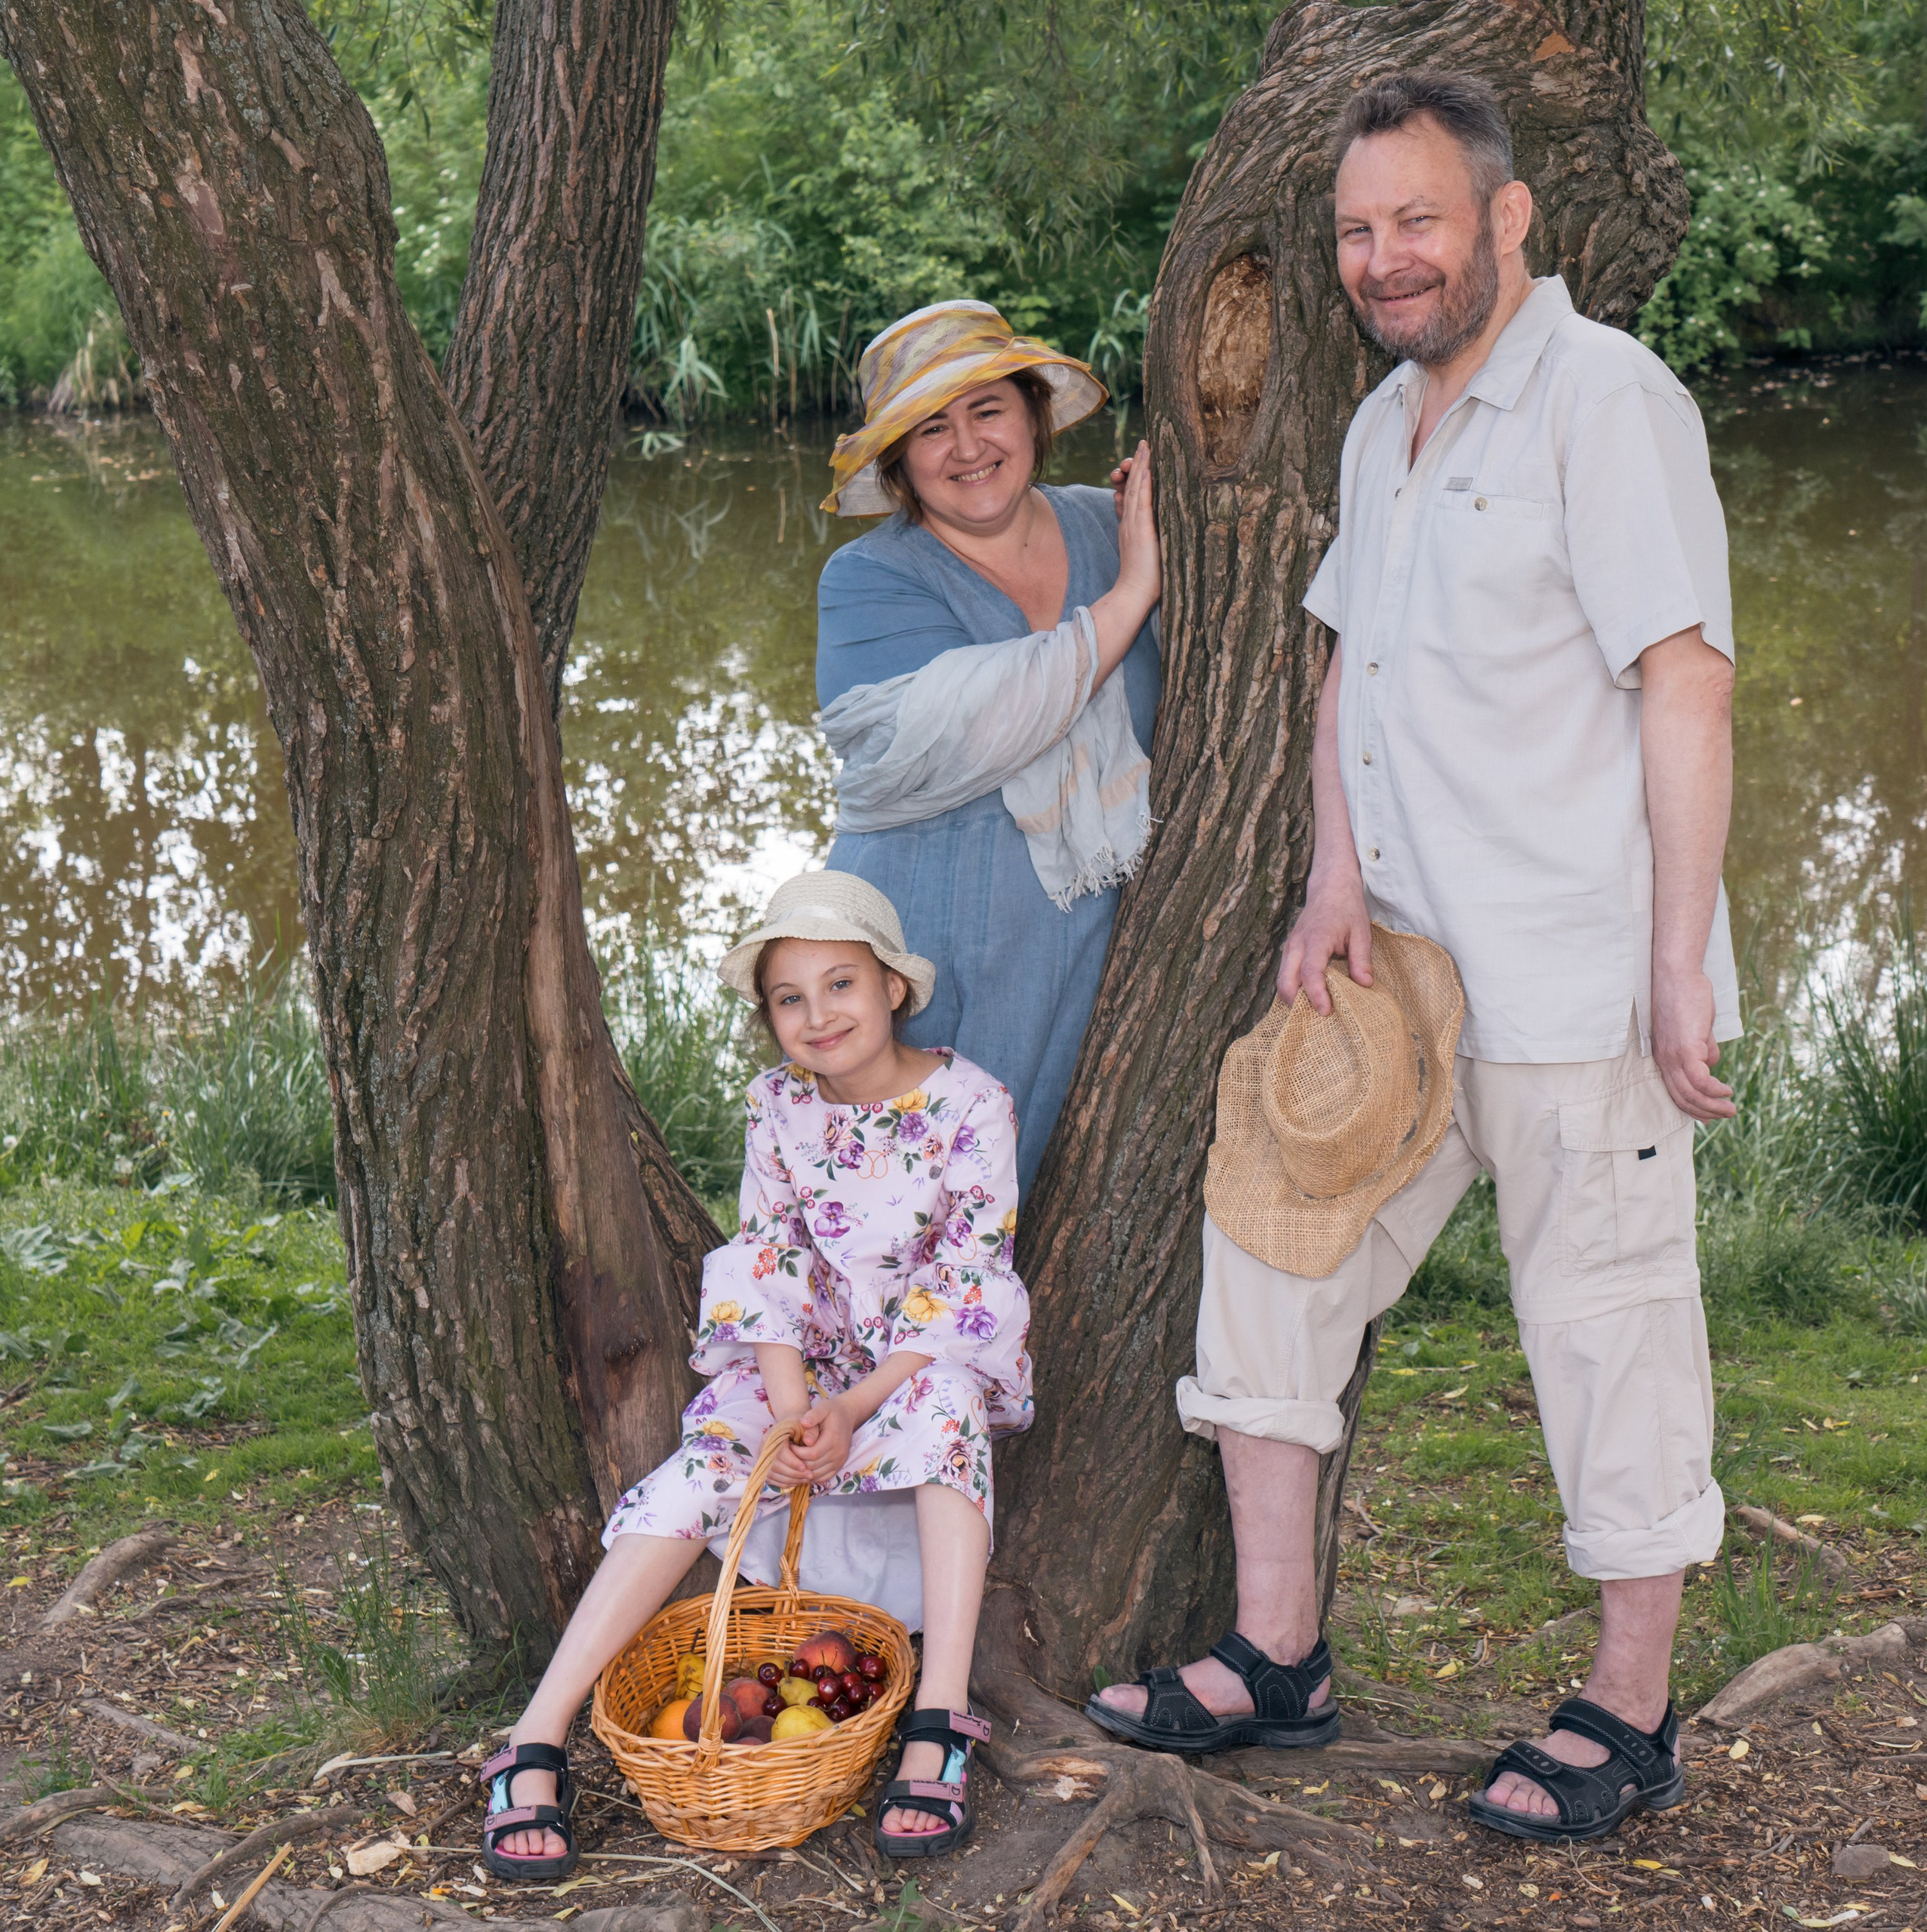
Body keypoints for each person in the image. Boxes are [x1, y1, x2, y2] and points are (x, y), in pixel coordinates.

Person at [1091, 71, 1741, 1844]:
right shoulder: (1380, 427)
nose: (1383, 257)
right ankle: (1275, 1651)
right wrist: (1325, 879)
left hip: (1574, 972)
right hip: (1399, 967)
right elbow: (1338, 670)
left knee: (1601, 1326)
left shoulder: (1600, 404)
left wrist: (1672, 962)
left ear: (1504, 220)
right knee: (1268, 1241)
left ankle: (1628, 1704)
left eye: (1415, 221)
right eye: (1356, 231)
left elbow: (1684, 675)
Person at [482, 872, 1032, 1875]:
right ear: (769, 1016)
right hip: (802, 1361)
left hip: (913, 1361)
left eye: (841, 985)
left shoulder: (971, 1103)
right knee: (701, 1470)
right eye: (790, 997)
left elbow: (967, 1278)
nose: (818, 1017)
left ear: (892, 989)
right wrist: (792, 1410)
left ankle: (940, 1714)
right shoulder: (778, 1105)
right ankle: (535, 1734)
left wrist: (857, 1405)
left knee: (948, 1411)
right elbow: (767, 1255)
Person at [816, 299, 1162, 1195]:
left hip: (1082, 960)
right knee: (898, 1218)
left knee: (1043, 1225)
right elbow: (990, 718)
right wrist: (1134, 594)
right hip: (920, 964)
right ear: (898, 460)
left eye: (987, 410)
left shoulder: (1108, 526)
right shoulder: (868, 581)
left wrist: (1167, 538)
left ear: (1033, 415)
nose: (966, 447)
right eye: (931, 428)